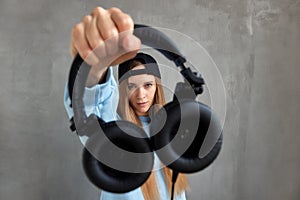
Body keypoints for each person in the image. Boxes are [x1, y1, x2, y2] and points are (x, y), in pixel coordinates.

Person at [64, 6, 189, 200]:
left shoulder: (169, 132)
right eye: (132, 86)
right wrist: (96, 68)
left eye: (148, 85)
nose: (141, 95)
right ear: (122, 89)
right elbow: (91, 107)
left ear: (157, 87)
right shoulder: (114, 133)